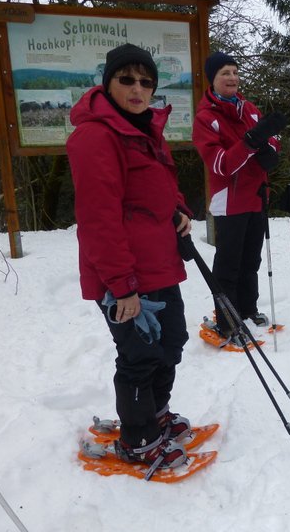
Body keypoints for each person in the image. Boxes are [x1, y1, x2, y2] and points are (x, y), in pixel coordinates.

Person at [67, 43, 194, 468]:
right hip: (125, 275)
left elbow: (162, 183)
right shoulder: (96, 135)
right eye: (127, 80)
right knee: (139, 357)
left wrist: (179, 208)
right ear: (108, 82)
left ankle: (154, 415)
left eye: (146, 82)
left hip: (160, 262)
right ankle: (138, 440)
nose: (138, 89)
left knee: (171, 342)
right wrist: (121, 287)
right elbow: (98, 218)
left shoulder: (144, 129)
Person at [192, 51, 286, 339]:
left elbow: (270, 140)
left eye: (234, 72)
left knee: (251, 260)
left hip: (256, 196)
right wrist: (250, 143)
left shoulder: (250, 109)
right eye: (225, 73)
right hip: (229, 200)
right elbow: (220, 163)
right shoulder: (207, 119)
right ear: (213, 79)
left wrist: (270, 151)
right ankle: (227, 319)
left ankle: (247, 308)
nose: (232, 78)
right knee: (229, 263)